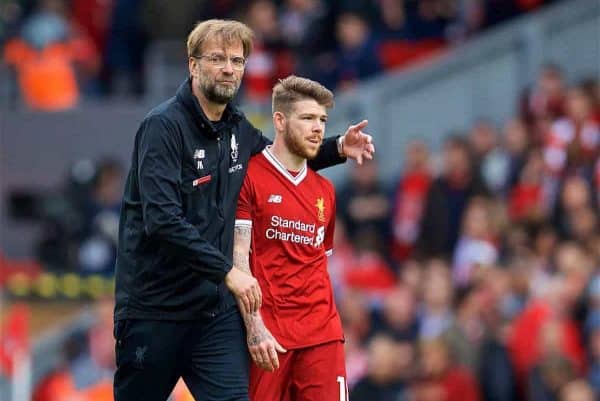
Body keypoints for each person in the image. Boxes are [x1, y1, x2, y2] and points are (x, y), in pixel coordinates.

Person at [113, 20, 374, 401]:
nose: (228, 68)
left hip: (211, 316)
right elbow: (162, 221)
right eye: (217, 58)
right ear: (192, 65)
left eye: (237, 60)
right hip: (155, 312)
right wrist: (228, 272)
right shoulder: (162, 127)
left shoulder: (237, 127)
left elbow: (276, 166)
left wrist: (336, 148)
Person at [233, 75, 348, 401]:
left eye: (323, 120)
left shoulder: (325, 190)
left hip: (322, 333)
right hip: (270, 338)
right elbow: (238, 258)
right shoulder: (249, 176)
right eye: (308, 118)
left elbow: (320, 262)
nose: (318, 129)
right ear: (280, 121)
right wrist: (255, 327)